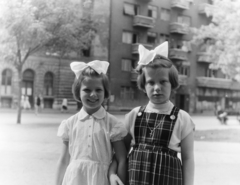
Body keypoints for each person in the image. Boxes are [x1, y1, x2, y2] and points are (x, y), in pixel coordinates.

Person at [109, 42, 195, 185]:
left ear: (172, 84)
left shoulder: (183, 118)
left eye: (163, 82)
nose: (157, 88)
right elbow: (121, 152)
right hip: (136, 179)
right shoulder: (134, 115)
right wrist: (112, 173)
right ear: (143, 85)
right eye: (151, 82)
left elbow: (188, 158)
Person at [55, 60, 127, 185]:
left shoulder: (112, 124)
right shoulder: (70, 124)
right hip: (75, 180)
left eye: (98, 90)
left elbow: (122, 159)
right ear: (78, 92)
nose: (93, 95)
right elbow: (63, 161)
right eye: (87, 90)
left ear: (105, 93)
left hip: (101, 180)